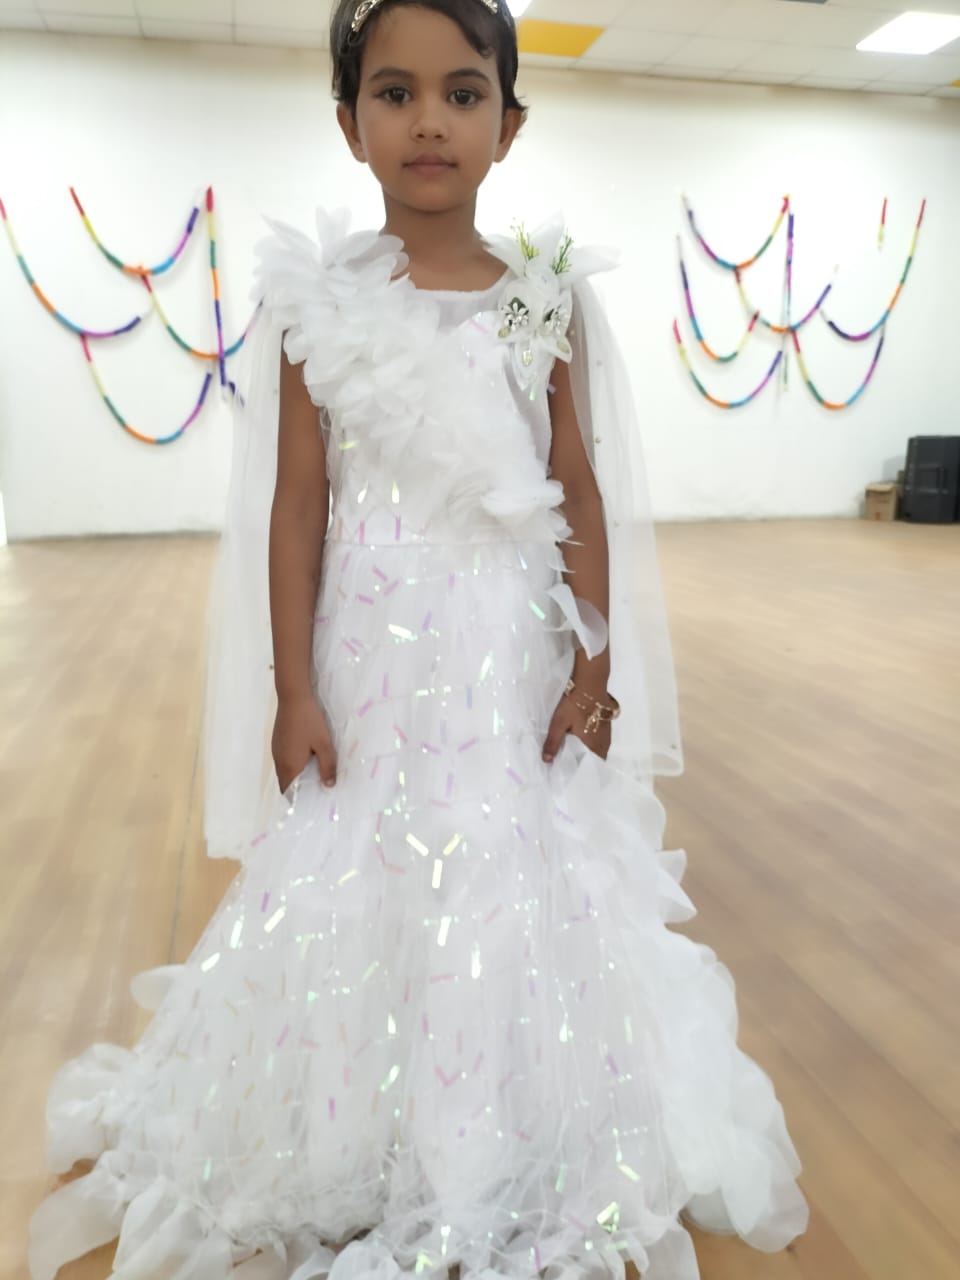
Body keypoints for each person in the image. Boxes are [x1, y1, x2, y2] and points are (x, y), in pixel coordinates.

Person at [28, 3, 809, 1278]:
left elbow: (577, 483)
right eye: (394, 93)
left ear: (510, 121)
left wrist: (596, 661)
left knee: (508, 871)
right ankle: (352, 1121)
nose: (430, 119)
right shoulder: (316, 300)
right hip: (367, 659)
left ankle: (496, 1132)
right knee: (364, 868)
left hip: (508, 650)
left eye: (462, 91)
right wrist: (293, 687)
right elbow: (298, 505)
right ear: (350, 125)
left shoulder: (542, 298)